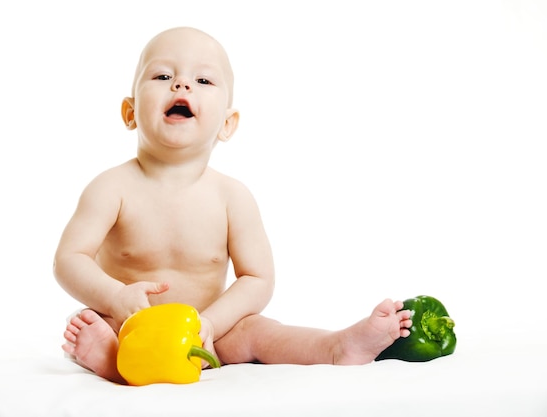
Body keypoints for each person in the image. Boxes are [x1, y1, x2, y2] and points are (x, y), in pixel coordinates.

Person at [54, 26, 412, 384]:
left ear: (227, 123)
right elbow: (69, 258)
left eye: (203, 80)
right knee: (91, 324)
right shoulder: (111, 188)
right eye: (163, 75)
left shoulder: (232, 197)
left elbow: (257, 279)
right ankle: (114, 358)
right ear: (129, 112)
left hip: (209, 336)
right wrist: (115, 297)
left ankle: (336, 347)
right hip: (129, 325)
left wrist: (211, 323)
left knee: (258, 330)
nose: (182, 85)